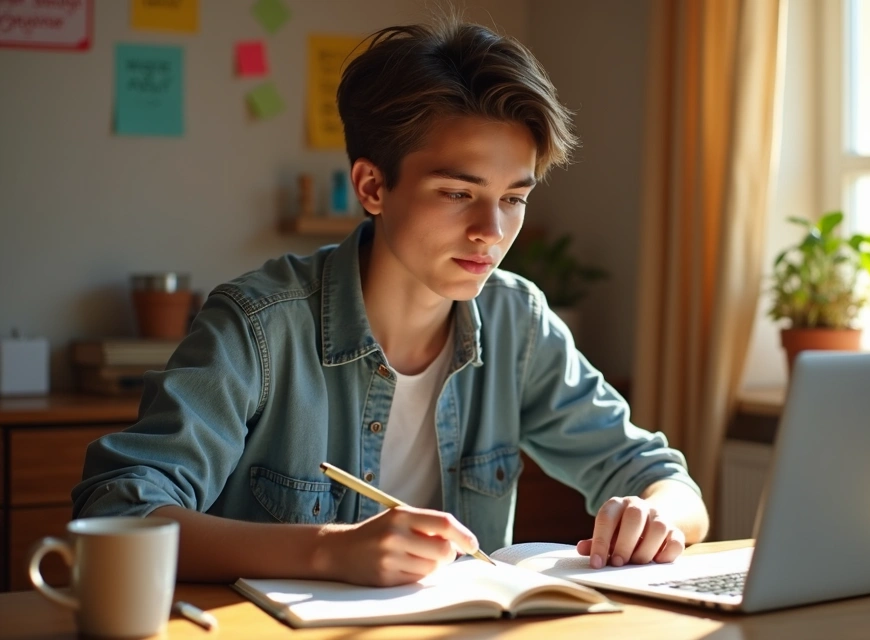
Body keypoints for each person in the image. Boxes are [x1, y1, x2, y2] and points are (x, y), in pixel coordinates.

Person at [72, 20, 708, 587]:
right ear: (373, 186)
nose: (492, 230)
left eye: (514, 197)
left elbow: (664, 480)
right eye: (459, 193)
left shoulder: (518, 322)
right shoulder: (259, 327)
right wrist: (327, 552)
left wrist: (654, 513)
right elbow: (117, 510)